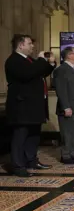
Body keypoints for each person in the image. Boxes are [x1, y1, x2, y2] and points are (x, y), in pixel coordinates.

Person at [5, 34, 56, 177]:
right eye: (29, 43)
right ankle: (18, 166)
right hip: (21, 107)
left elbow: (39, 72)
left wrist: (50, 63)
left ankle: (31, 160)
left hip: (33, 106)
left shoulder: (28, 60)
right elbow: (27, 74)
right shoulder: (14, 60)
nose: (32, 46)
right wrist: (40, 60)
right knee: (20, 136)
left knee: (33, 135)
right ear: (20, 45)